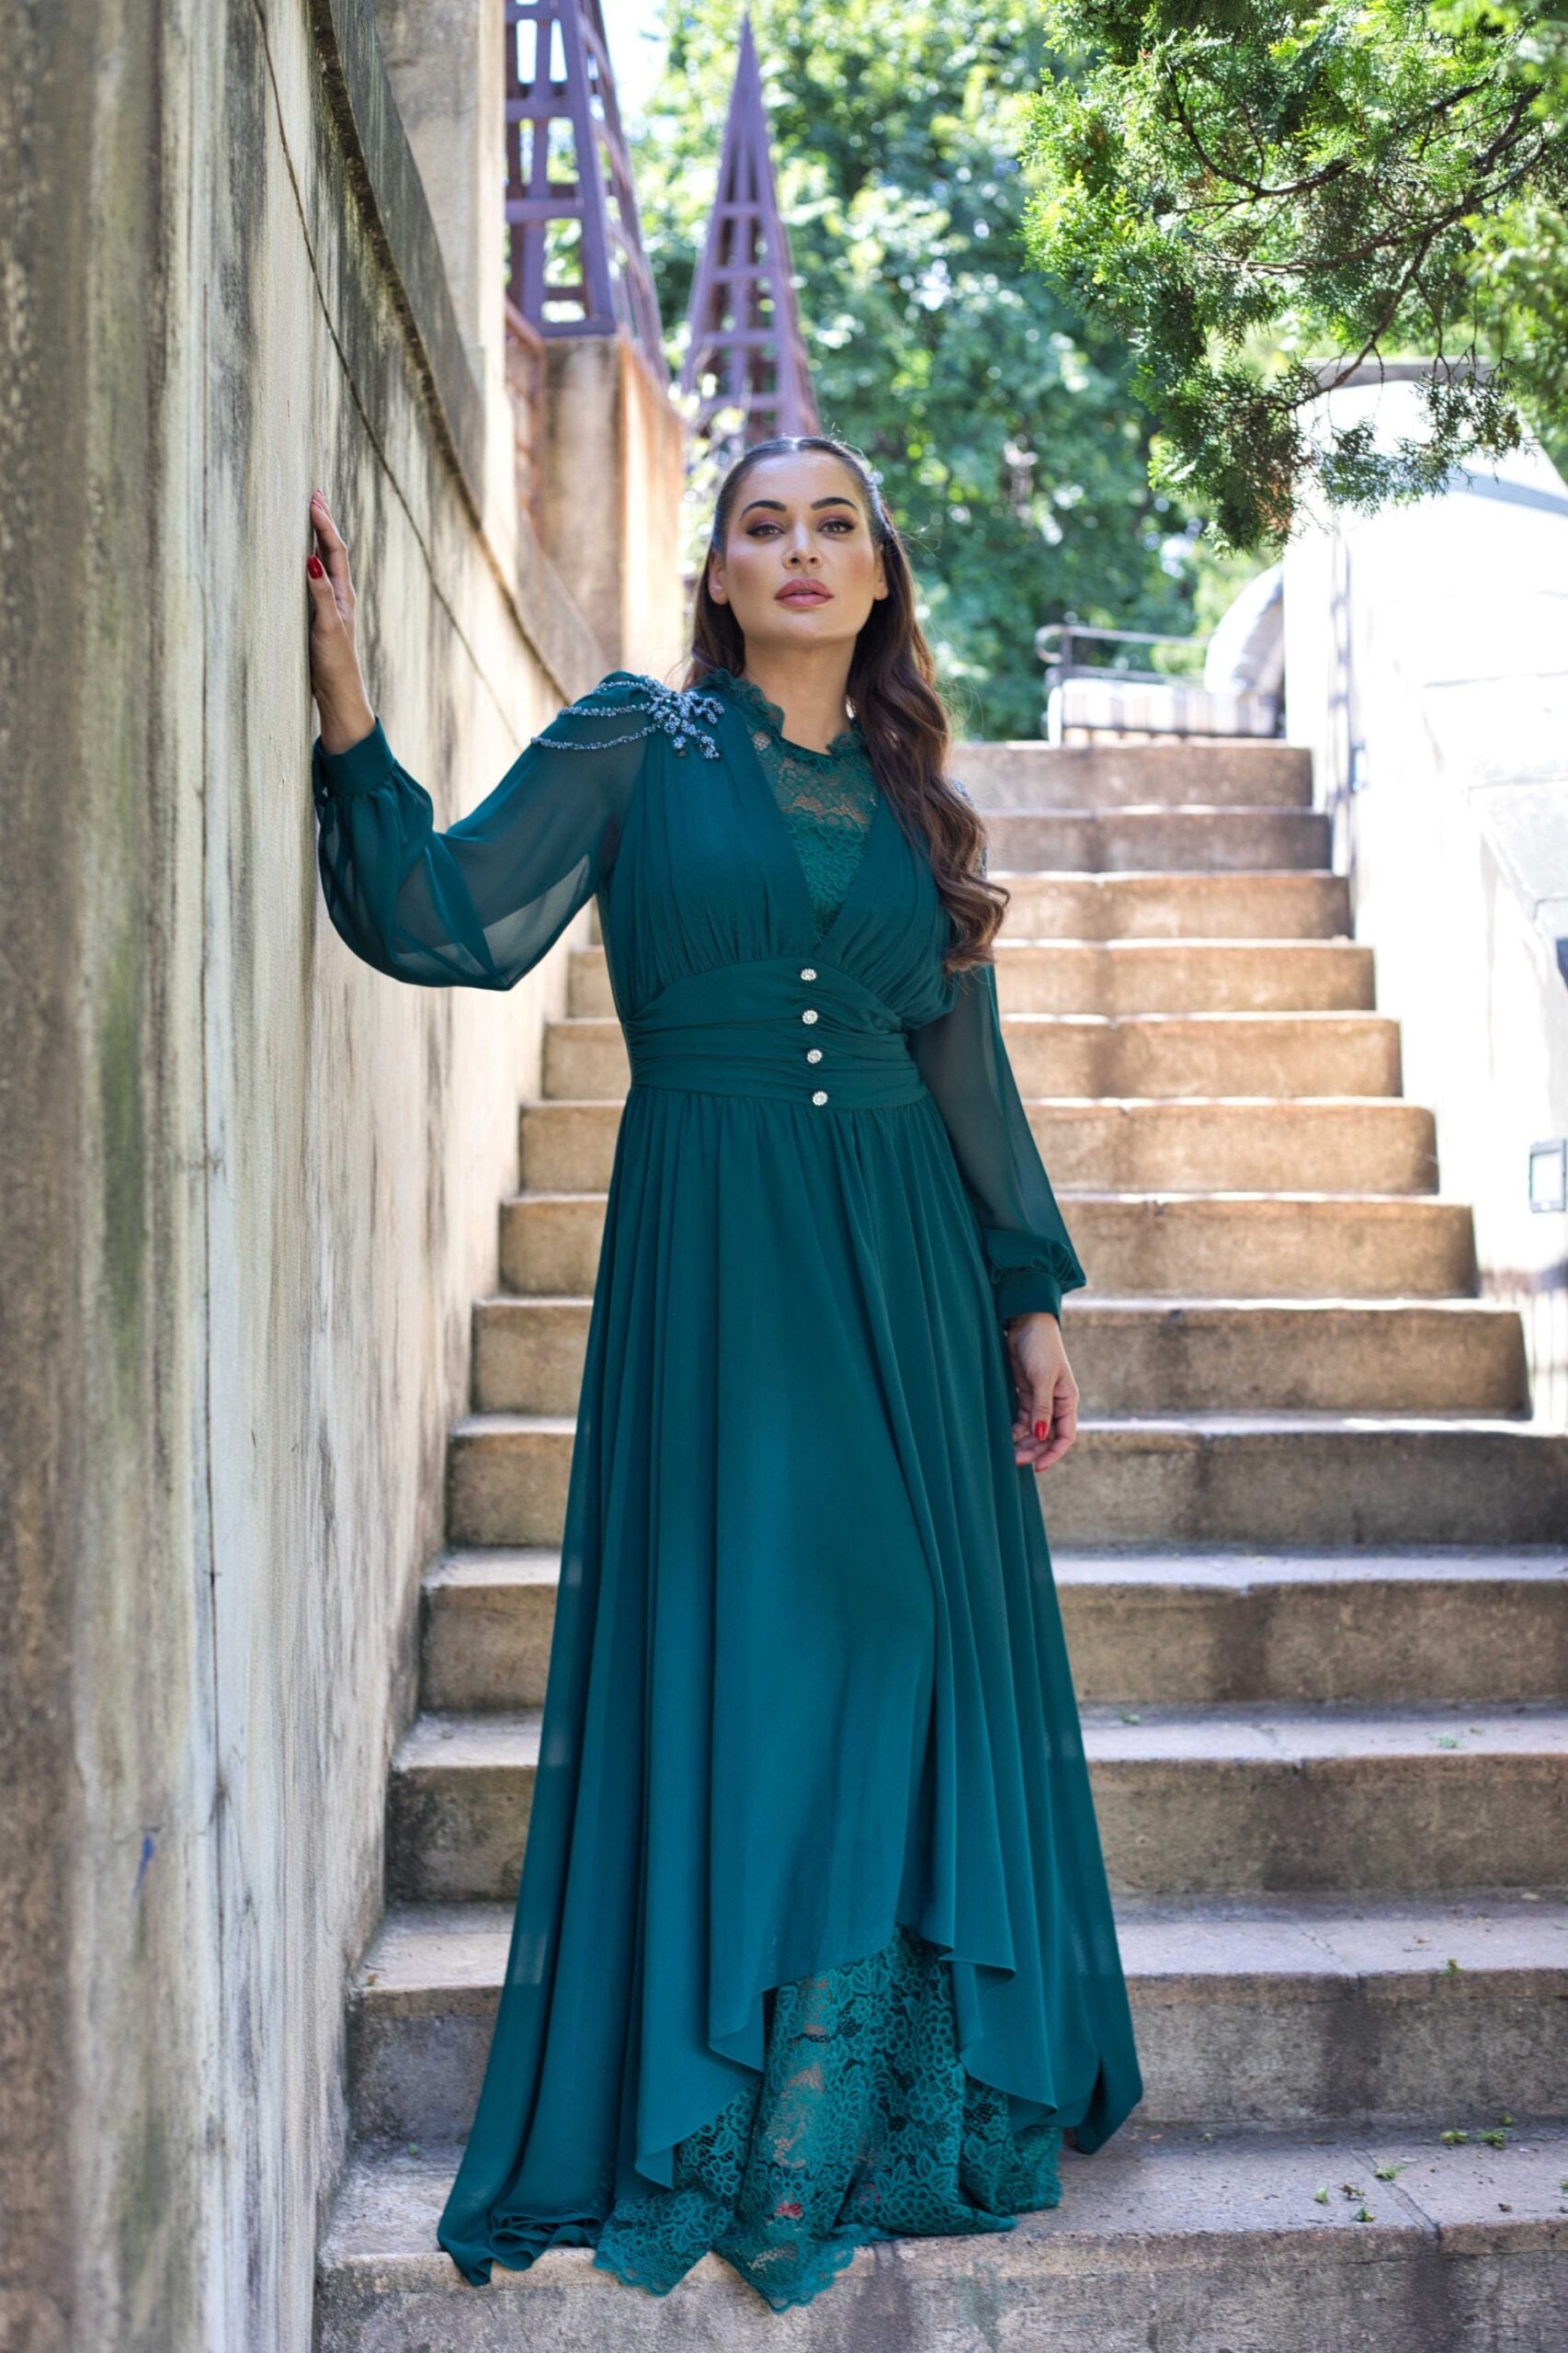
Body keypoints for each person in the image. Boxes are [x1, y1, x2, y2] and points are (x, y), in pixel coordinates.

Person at [304, 434, 1143, 2312]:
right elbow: (443, 912)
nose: (798, 547)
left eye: (834, 522)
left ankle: (822, 2125)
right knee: (798, 1643)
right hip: (716, 1243)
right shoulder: (634, 742)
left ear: (879, 571)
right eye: (763, 522)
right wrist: (347, 695)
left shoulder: (912, 804)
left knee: (904, 1638)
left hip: (904, 1261)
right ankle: (741, 2118)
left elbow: (960, 1070)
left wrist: (1028, 1293)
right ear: (718, 570)